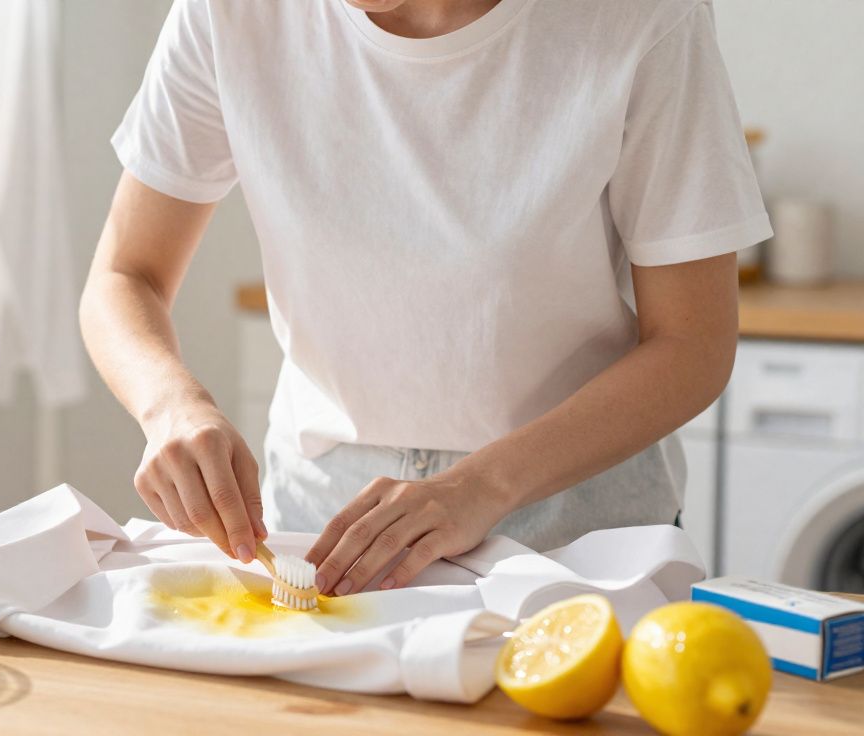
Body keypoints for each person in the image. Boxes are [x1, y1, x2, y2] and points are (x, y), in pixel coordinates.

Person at [79, 0, 769, 598]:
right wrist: (170, 404)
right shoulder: (229, 15)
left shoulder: (642, 21)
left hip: (578, 533)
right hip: (319, 530)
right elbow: (124, 274)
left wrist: (481, 487)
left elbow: (694, 343)